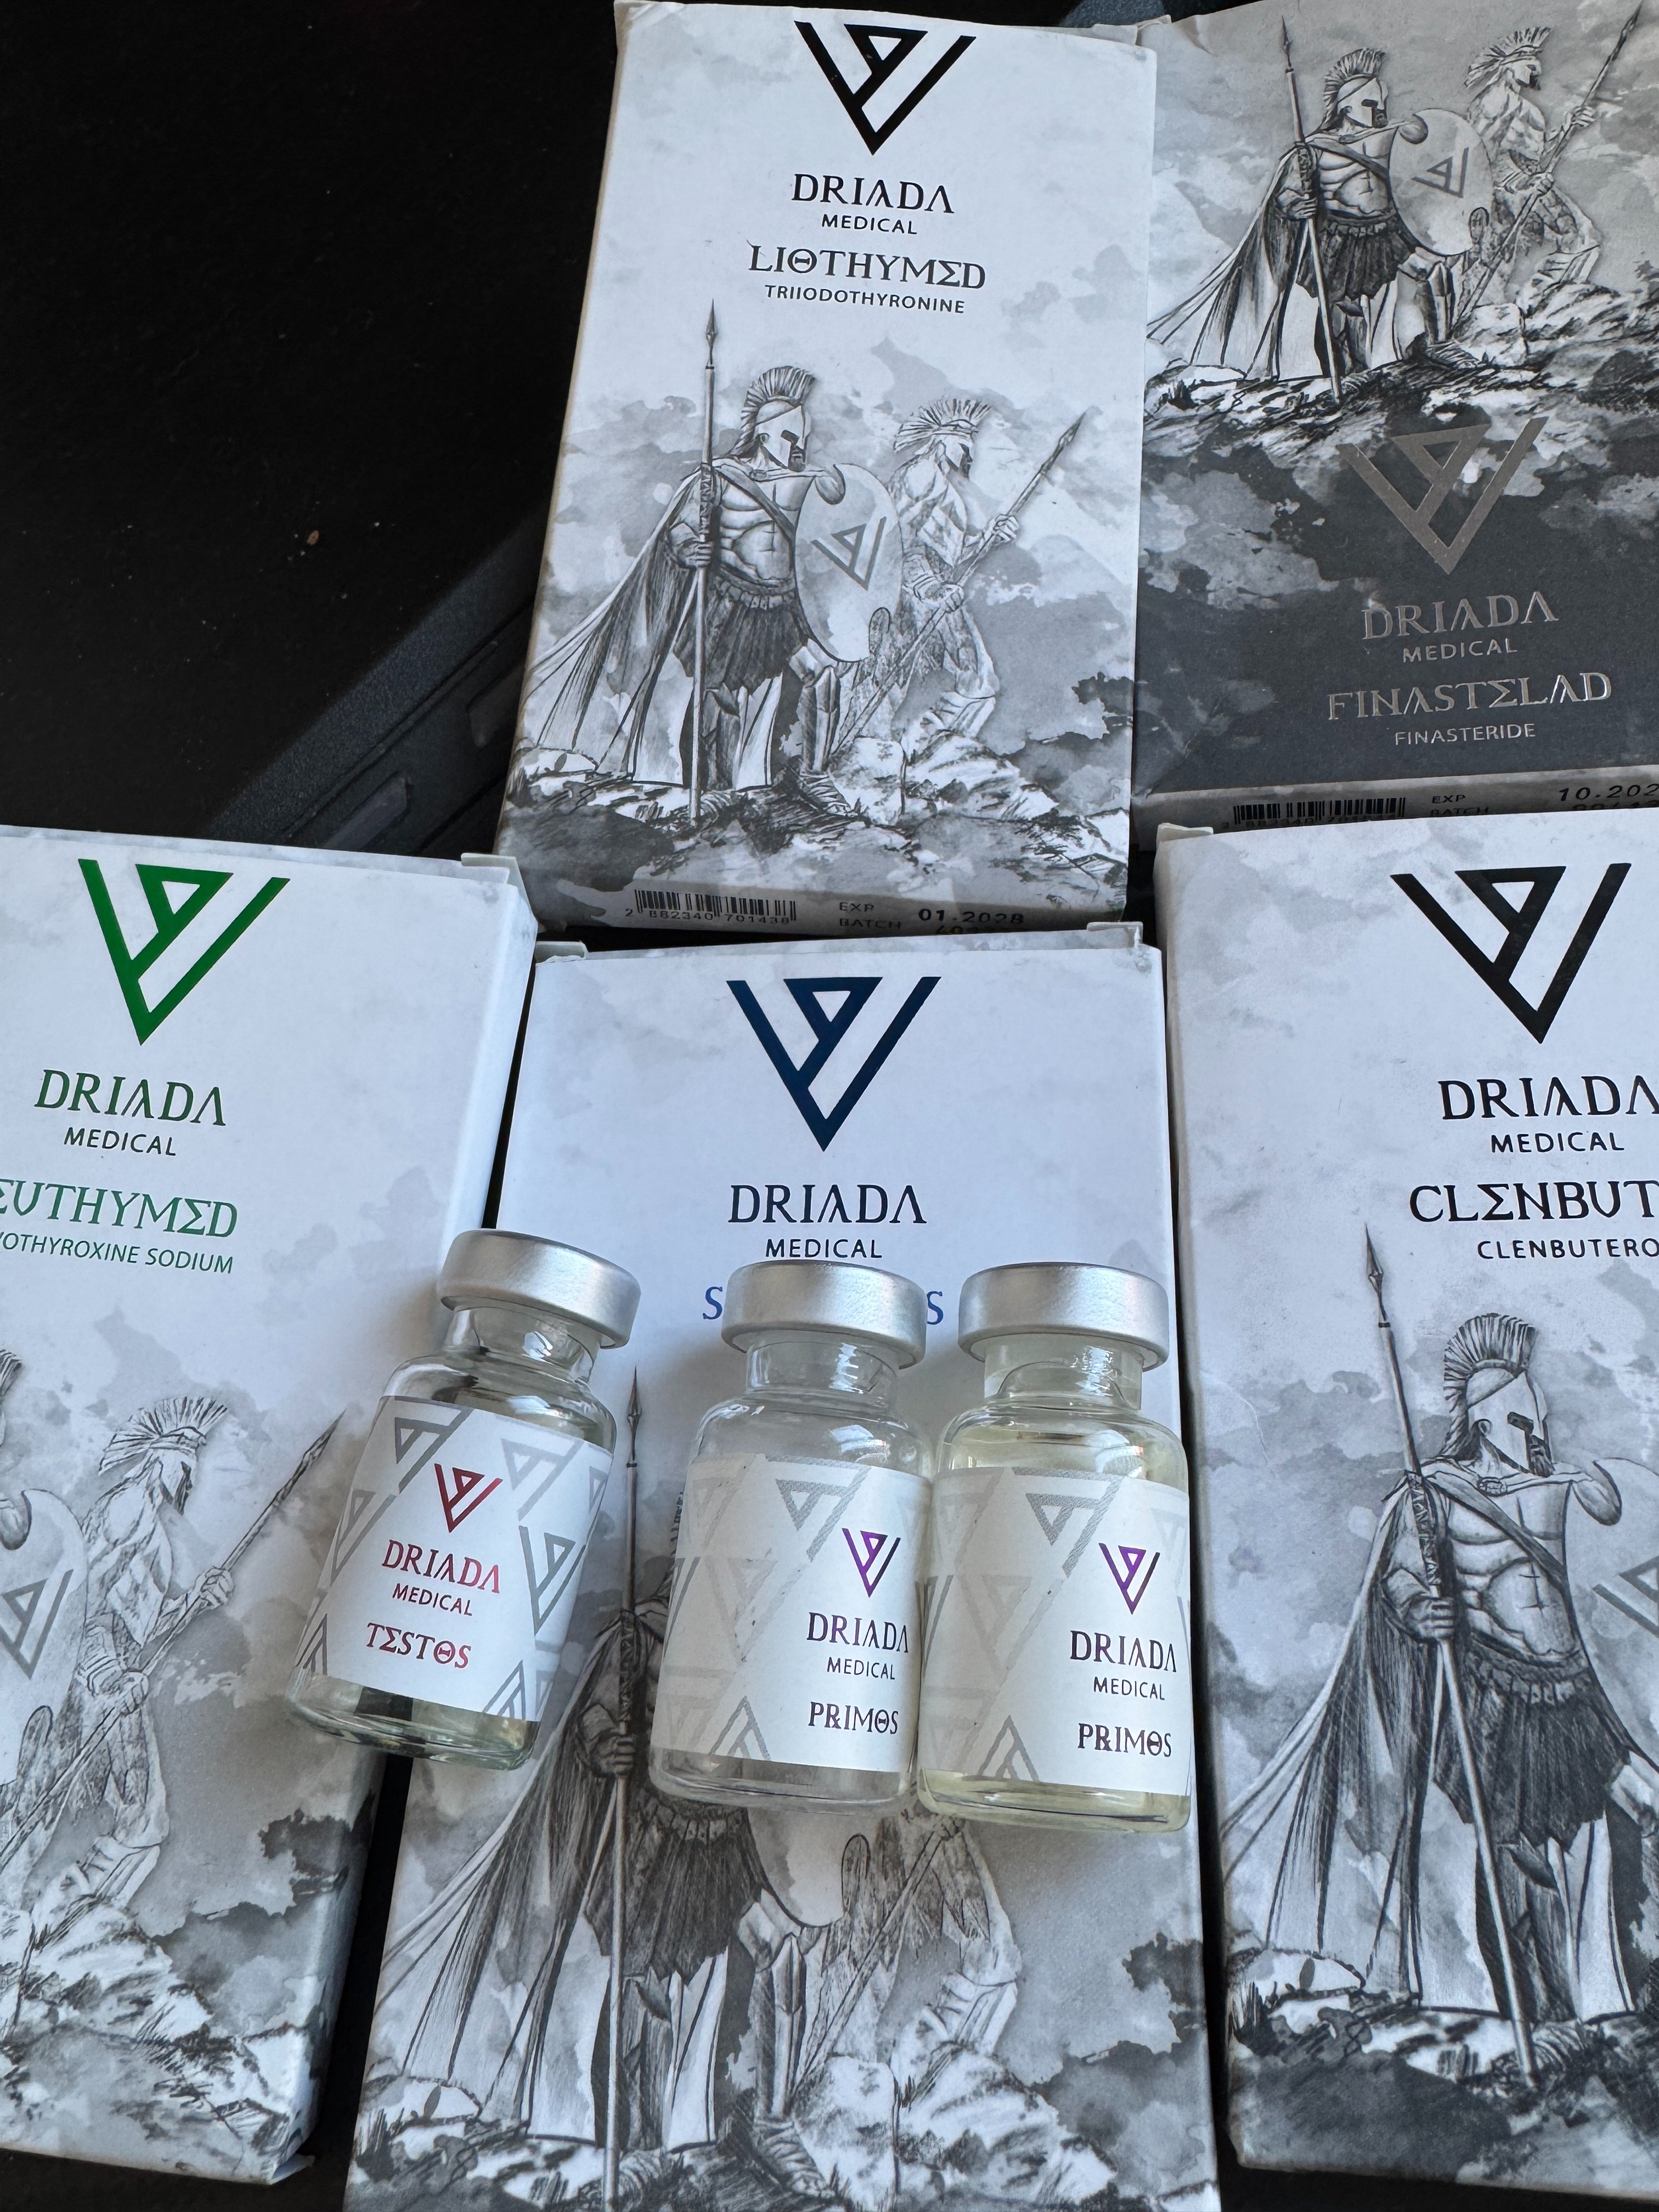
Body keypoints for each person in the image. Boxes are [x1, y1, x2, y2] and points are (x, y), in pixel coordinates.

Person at [1225, 1313, 1659, 2032]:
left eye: (1536, 1415)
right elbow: (1397, 1579)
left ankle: (1600, 2004)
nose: (1533, 1430)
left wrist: (1604, 1490)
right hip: (1492, 1695)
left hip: (1574, 1693)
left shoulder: (1561, 1488)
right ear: (1484, 1422)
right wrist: (1420, 1609)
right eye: (1518, 1418)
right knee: (1515, 1858)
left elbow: (1620, 1536)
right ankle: (1533, 2015)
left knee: (1595, 1843)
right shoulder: (1434, 1498)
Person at [3, 1397, 230, 1910]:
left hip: (114, 1679)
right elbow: (84, 1603)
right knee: (40, 1811)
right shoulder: (126, 1509)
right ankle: (31, 1915)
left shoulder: (150, 1525)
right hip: (83, 1680)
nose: (190, 1477)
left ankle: (68, 1912)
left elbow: (140, 1627)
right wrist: (105, 1675)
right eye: (186, 1462)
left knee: (141, 1819)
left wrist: (196, 1601)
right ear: (162, 1458)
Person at [1150, 48, 1447, 381]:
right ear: (1346, 107)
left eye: (1381, 103)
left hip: (1385, 233)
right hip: (1339, 239)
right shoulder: (1313, 150)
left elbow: (1414, 169)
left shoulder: (1389, 139)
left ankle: (1428, 347)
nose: (1379, 111)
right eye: (1370, 104)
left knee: (1424, 275)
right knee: (1342, 310)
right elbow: (1287, 196)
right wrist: (1295, 206)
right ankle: (1348, 374)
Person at [1465, 27, 1601, 304]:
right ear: (1509, 66)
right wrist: (1516, 184)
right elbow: (1480, 154)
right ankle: (1484, 314)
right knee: (1495, 261)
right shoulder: (1493, 101)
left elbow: (1535, 156)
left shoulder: (1525, 107)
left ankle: (1539, 300)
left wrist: (1567, 127)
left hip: (1532, 183)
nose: (1537, 70)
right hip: (1502, 190)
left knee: (1581, 237)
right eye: (1529, 65)